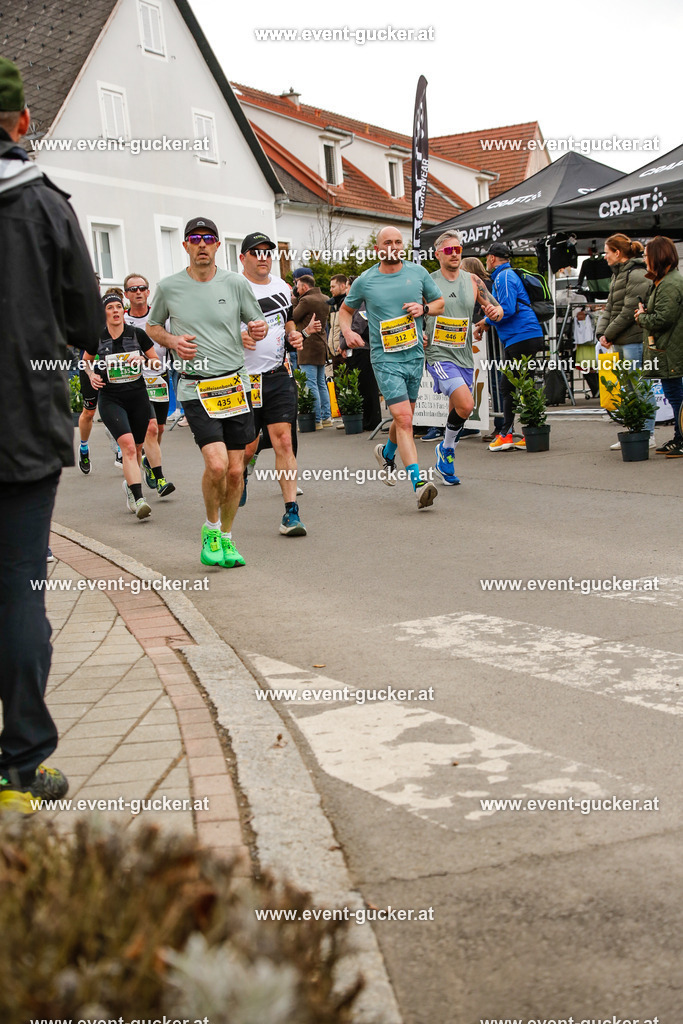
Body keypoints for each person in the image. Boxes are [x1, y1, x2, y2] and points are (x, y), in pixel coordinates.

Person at [0, 58, 103, 813]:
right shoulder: (43, 205)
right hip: (22, 434)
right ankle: (23, 765)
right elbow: (86, 322)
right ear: (23, 121)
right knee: (19, 594)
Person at [146, 217, 268, 568]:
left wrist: (257, 329)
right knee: (215, 465)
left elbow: (254, 323)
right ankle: (211, 530)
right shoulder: (169, 287)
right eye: (195, 239)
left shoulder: (235, 283)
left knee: (235, 470)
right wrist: (171, 340)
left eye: (208, 238)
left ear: (217, 245)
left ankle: (227, 538)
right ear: (185, 245)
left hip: (234, 384)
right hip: (195, 386)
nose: (202, 244)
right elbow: (153, 326)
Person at [339, 224, 444, 509]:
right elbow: (345, 310)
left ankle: (387, 454)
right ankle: (419, 483)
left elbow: (439, 303)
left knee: (404, 417)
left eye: (398, 242)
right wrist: (348, 333)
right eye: (388, 242)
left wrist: (423, 309)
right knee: (405, 420)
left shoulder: (418, 273)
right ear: (377, 248)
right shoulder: (366, 280)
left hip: (414, 355)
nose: (393, 247)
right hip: (385, 359)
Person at [238, 231, 306, 535]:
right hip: (242, 379)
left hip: (278, 375)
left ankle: (291, 512)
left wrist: (294, 335)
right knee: (248, 445)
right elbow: (215, 327)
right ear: (243, 258)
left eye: (268, 252)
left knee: (283, 440)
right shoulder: (232, 287)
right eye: (256, 252)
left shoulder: (281, 286)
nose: (263, 257)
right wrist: (234, 336)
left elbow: (287, 318)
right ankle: (243, 471)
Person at [425, 232, 503, 485]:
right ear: (437, 254)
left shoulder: (473, 280)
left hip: (463, 353)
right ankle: (446, 449)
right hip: (437, 353)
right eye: (449, 250)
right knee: (467, 404)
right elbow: (412, 312)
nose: (455, 253)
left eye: (458, 248)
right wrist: (418, 334)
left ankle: (445, 459)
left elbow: (496, 307)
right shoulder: (427, 282)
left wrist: (494, 311)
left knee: (458, 407)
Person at [82, 294, 163, 520]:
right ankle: (139, 499)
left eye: (119, 306)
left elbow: (156, 361)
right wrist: (90, 375)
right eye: (110, 307)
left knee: (136, 448)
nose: (116, 311)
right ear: (104, 313)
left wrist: (144, 361)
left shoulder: (137, 335)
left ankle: (130, 485)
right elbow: (86, 360)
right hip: (111, 398)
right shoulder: (97, 337)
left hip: (137, 396)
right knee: (127, 445)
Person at [475, 242, 545, 452]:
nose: (486, 261)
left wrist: (486, 322)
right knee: (524, 384)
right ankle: (532, 430)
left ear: (492, 258)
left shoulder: (504, 277)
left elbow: (506, 308)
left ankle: (506, 434)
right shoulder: (507, 275)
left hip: (520, 335)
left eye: (487, 258)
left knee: (508, 386)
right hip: (525, 334)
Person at [595, 234, 654, 449]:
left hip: (633, 341)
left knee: (640, 388)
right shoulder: (618, 275)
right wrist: (602, 333)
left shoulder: (636, 274)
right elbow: (610, 307)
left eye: (607, 252)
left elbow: (629, 311)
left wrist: (607, 334)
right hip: (620, 339)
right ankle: (635, 431)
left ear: (617, 253)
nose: (604, 256)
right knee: (628, 389)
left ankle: (647, 434)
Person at [123, 272, 176, 497]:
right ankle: (160, 477)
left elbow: (172, 341)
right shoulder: (122, 320)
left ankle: (147, 461)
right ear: (126, 294)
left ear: (148, 292)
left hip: (159, 377)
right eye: (133, 289)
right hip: (134, 381)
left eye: (142, 288)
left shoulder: (161, 317)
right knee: (151, 428)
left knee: (159, 429)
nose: (138, 292)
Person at [634, 236, 683, 458]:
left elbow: (663, 319)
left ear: (658, 256)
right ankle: (679, 437)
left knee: (676, 396)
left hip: (670, 350)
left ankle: (682, 438)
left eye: (646, 255)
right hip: (667, 350)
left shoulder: (670, 284)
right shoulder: (663, 281)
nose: (644, 259)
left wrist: (642, 317)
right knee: (674, 395)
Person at [292, 272, 332, 428]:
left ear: (304, 286)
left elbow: (293, 317)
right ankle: (326, 416)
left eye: (297, 286)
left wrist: (294, 301)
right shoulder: (324, 298)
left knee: (310, 383)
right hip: (321, 344)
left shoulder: (306, 300)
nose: (296, 289)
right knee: (321, 382)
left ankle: (316, 420)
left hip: (308, 345)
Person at [338, 301, 383, 431]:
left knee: (367, 386)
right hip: (358, 348)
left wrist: (343, 344)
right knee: (361, 386)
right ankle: (366, 419)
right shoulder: (355, 305)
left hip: (363, 348)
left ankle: (372, 421)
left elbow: (358, 326)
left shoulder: (362, 304)